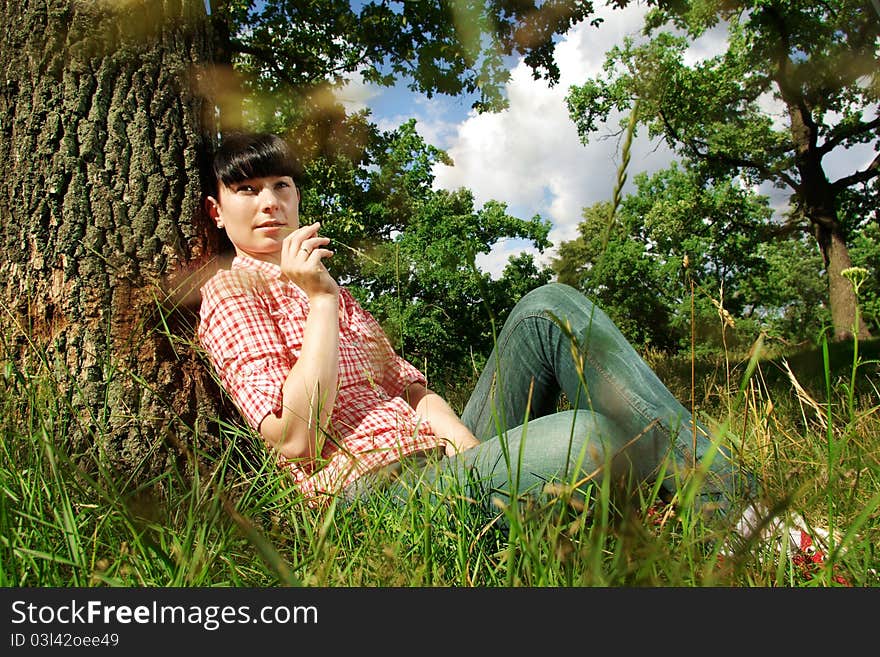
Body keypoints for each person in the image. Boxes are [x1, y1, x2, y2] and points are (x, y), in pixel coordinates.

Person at [197, 131, 833, 561]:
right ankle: (696, 516)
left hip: (447, 462)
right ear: (215, 210)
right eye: (246, 191)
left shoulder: (331, 285)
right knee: (587, 435)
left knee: (548, 306)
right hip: (371, 494)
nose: (269, 203)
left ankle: (745, 517)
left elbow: (413, 391)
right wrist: (321, 304)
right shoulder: (231, 295)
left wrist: (478, 454)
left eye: (281, 186)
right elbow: (294, 440)